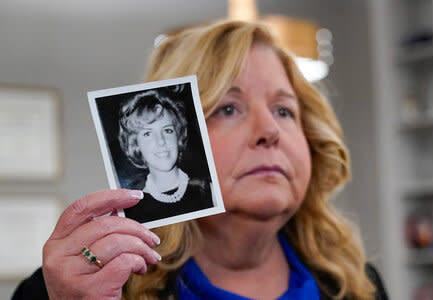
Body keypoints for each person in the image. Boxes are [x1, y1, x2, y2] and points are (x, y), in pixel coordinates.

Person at [12, 20, 388, 300]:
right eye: (228, 108)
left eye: (284, 111)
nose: (269, 130)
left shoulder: (359, 284)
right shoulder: (81, 289)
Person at [117, 89, 213, 223]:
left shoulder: (210, 190)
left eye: (167, 130)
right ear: (135, 144)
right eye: (148, 134)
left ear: (178, 136)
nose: (161, 141)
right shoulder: (132, 212)